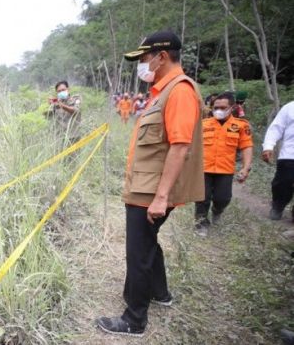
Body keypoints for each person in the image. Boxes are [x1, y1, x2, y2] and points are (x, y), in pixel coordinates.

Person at [96, 30, 204, 337]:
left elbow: (180, 147)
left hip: (151, 192)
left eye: (144, 58)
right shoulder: (162, 90)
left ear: (162, 56)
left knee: (139, 252)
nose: (142, 64)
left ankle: (134, 319)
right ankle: (160, 293)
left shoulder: (179, 91)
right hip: (147, 186)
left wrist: (161, 197)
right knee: (148, 245)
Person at [193, 92, 253, 237]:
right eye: (216, 107)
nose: (218, 110)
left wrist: (245, 168)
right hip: (204, 168)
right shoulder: (203, 124)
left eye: (222, 107)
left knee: (223, 198)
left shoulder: (240, 126)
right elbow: (193, 145)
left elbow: (246, 146)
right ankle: (201, 224)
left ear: (232, 107)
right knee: (202, 198)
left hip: (225, 170)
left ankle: (217, 211)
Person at [262, 101, 294, 221]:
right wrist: (268, 146)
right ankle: (278, 206)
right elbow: (276, 128)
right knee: (283, 184)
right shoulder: (290, 108)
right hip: (290, 155)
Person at [45, 80, 81, 145]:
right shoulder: (55, 102)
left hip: (73, 137)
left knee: (73, 155)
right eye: (59, 91)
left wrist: (61, 105)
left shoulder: (75, 98)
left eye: (63, 90)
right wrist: (49, 104)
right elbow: (48, 117)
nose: (61, 92)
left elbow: (75, 110)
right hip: (59, 138)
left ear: (68, 89)